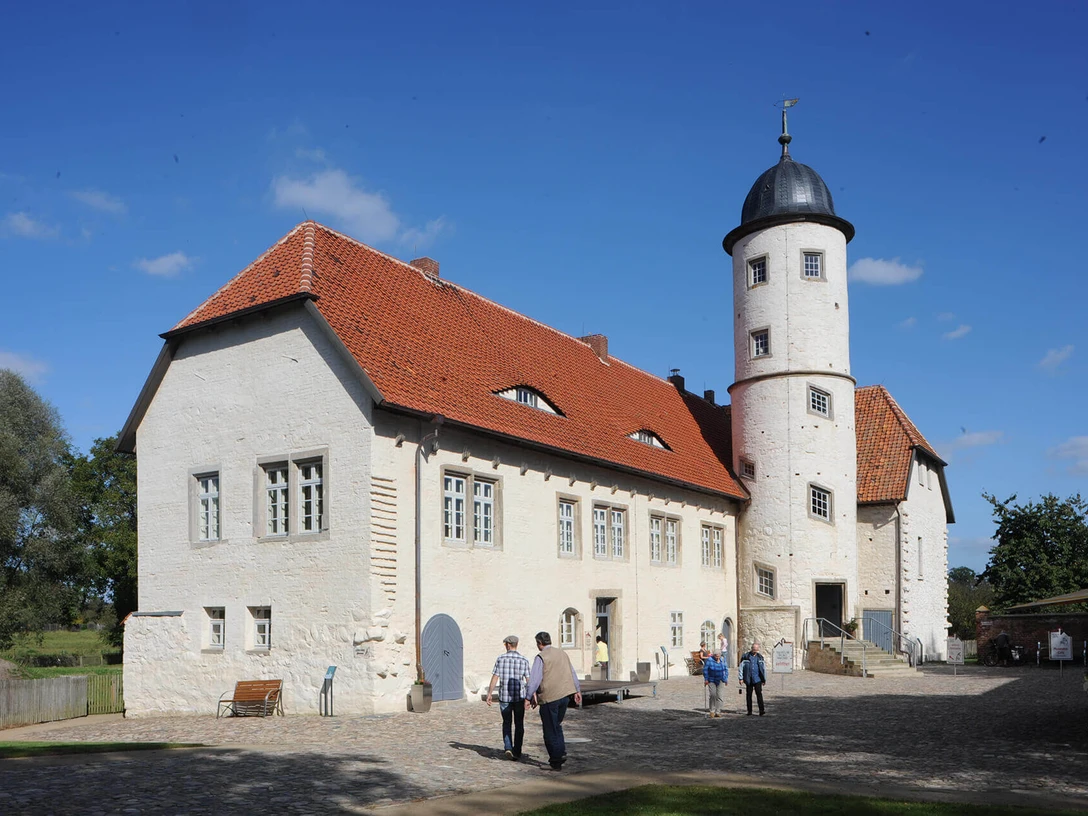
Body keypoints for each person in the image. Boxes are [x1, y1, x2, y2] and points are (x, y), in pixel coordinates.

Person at [525, 631, 582, 770]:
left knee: (550, 729)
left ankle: (556, 759)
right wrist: (577, 690)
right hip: (564, 695)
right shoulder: (562, 653)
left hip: (550, 697)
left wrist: (528, 696)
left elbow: (534, 680)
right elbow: (572, 672)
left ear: (539, 643)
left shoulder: (541, 657)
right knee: (557, 725)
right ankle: (561, 752)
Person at [486, 635, 531, 760]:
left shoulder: (501, 659)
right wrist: (531, 696)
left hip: (505, 696)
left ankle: (508, 747)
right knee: (519, 723)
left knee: (506, 723)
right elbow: (529, 680)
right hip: (519, 697)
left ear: (508, 645)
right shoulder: (524, 660)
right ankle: (517, 750)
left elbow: (495, 677)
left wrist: (490, 693)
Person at [740, 641, 766, 716]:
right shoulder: (745, 656)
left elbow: (763, 669)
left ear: (758, 649)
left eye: (756, 648)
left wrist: (764, 679)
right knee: (749, 695)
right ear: (751, 648)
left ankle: (761, 710)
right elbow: (741, 668)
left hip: (758, 678)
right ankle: (749, 711)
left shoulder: (760, 657)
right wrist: (741, 678)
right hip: (748, 678)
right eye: (754, 648)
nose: (755, 650)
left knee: (759, 694)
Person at [702, 649, 728, 718]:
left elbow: (726, 669)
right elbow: (705, 670)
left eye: (719, 656)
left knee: (720, 696)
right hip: (711, 680)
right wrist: (706, 679)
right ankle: (712, 711)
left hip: (721, 679)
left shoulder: (723, 659)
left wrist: (725, 678)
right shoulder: (709, 660)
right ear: (714, 655)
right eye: (716, 656)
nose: (717, 658)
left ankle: (718, 711)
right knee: (713, 695)